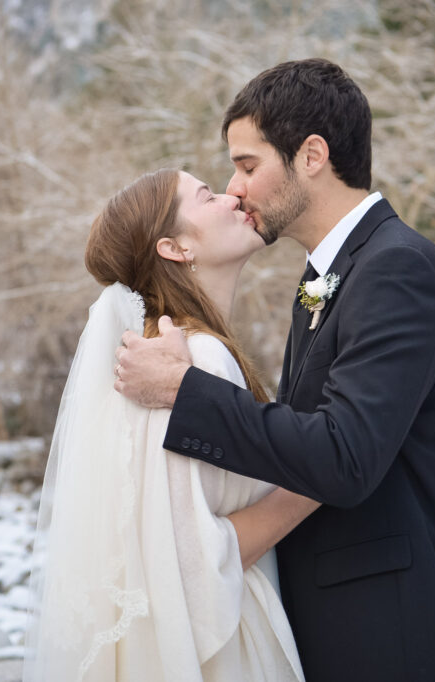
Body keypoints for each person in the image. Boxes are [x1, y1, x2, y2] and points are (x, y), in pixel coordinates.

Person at [115, 59, 435, 682]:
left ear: (312, 155)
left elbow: (346, 456)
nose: (235, 188)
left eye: (247, 166)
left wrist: (186, 391)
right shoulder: (328, 277)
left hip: (396, 635)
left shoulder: (398, 271)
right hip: (345, 630)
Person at [22, 168, 319, 681]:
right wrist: (321, 476)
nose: (231, 196)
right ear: (175, 247)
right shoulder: (193, 359)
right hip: (223, 651)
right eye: (206, 196)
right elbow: (191, 562)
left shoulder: (173, 356)